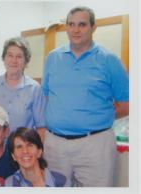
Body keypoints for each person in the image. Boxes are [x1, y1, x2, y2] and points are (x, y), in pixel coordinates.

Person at [42, 6, 129, 187]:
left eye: (82, 25)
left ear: (93, 28)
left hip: (95, 145)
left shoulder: (109, 60)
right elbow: (48, 97)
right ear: (66, 27)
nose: (76, 30)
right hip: (55, 145)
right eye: (71, 24)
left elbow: (126, 104)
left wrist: (93, 118)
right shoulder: (53, 58)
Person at [0, 37, 46, 140]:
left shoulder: (34, 89)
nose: (14, 60)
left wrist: (36, 153)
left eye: (19, 56)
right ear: (4, 58)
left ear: (26, 61)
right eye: (10, 55)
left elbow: (41, 128)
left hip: (22, 152)